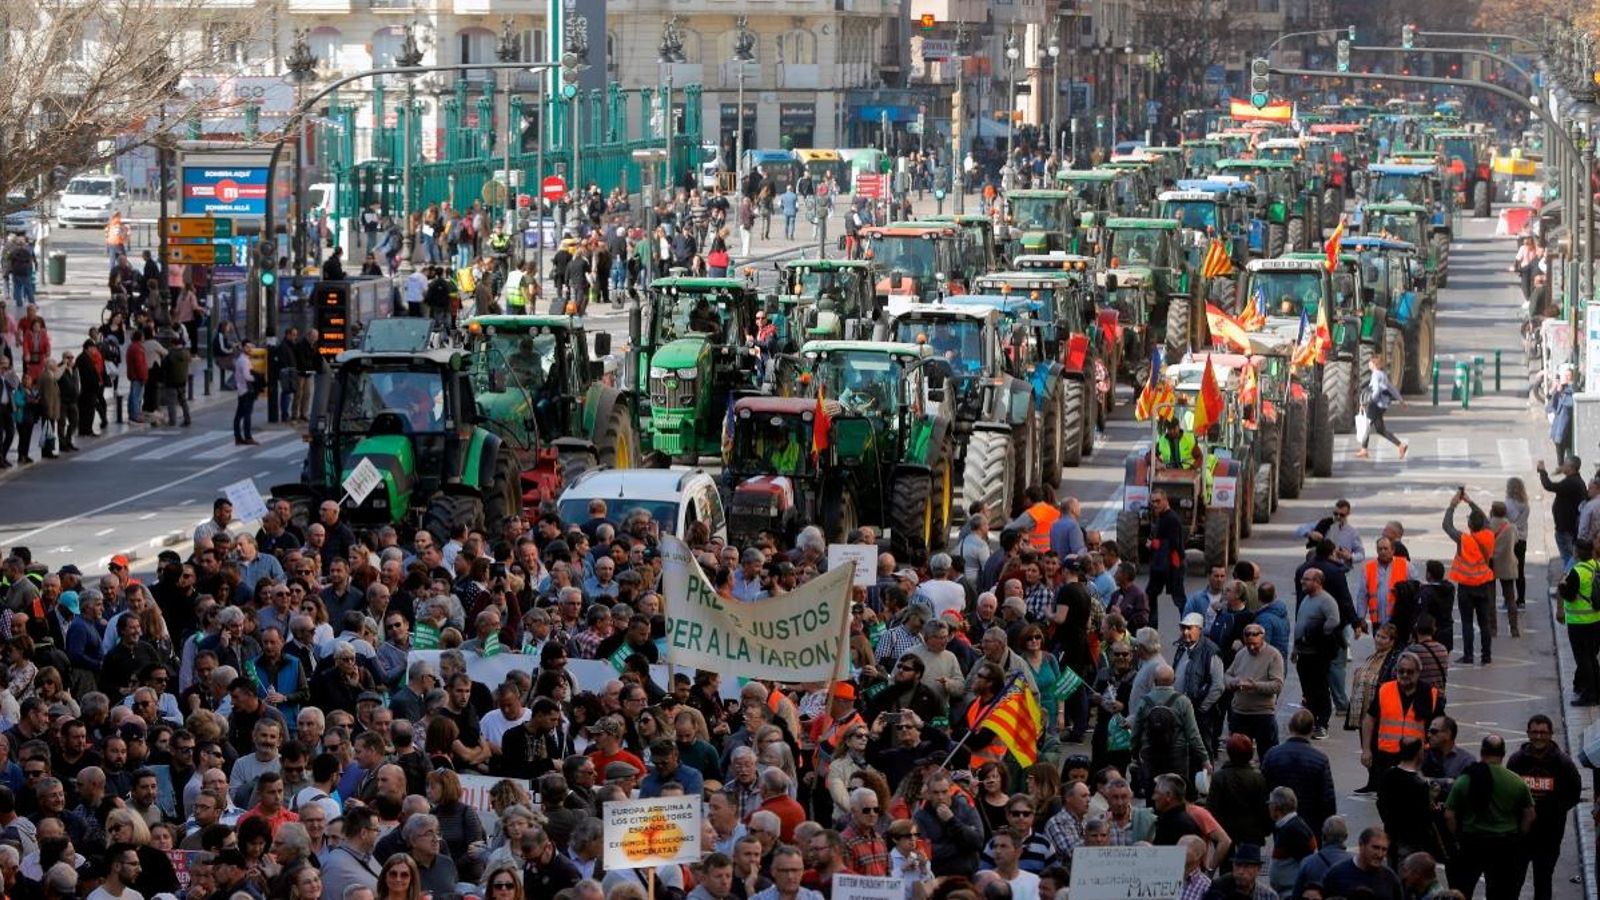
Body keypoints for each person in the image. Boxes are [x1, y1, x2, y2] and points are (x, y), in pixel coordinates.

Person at [1444, 734, 1535, 899]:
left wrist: (1458, 834)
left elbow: (1449, 814)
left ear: (1482, 752)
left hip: (1472, 843)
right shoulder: (1516, 782)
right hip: (1504, 845)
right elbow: (1530, 815)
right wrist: (1519, 835)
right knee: (1500, 891)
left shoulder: (1466, 780)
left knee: (1463, 890)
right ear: (1503, 753)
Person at [1506, 714, 1582, 900]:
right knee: (1514, 880)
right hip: (1521, 834)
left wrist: (1555, 811)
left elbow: (1574, 792)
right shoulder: (1516, 761)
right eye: (1535, 732)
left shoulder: (1563, 763)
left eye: (1543, 732)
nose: (1538, 737)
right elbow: (1508, 792)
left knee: (1543, 881)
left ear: (1550, 734)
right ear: (1528, 734)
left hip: (1549, 835)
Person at [1443, 487, 1498, 664]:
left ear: (1469, 526)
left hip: (1466, 586)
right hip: (1484, 584)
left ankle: (1468, 655)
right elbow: (1483, 517)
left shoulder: (1463, 539)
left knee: (1467, 622)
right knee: (1484, 622)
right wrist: (1469, 501)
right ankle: (1487, 655)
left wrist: (1453, 505)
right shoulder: (1489, 535)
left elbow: (1447, 526)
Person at [1555, 538, 1600, 705]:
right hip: (1596, 620)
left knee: (1583, 659)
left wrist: (1562, 587)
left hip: (1579, 622)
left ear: (1577, 552)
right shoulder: (1597, 566)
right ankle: (1596, 692)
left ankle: (1589, 696)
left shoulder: (1577, 571)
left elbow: (1570, 595)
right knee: (1592, 658)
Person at [1537, 456, 1585, 570]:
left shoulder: (1572, 482)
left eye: (1565, 464)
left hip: (1566, 529)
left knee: (1568, 558)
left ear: (1571, 467)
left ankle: (1569, 579)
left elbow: (1549, 485)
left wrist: (1542, 471)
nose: (1562, 466)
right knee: (1569, 557)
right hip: (1568, 527)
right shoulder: (1575, 480)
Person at [1356, 356, 1407, 459]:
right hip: (1383, 405)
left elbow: (1376, 391)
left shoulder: (1375, 375)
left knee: (1367, 425)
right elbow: (1392, 388)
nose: (1368, 364)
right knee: (1380, 429)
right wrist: (1401, 400)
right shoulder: (1383, 375)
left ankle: (1364, 450)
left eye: (1370, 362)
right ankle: (1401, 445)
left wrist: (1366, 402)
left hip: (1376, 404)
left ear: (1374, 364)